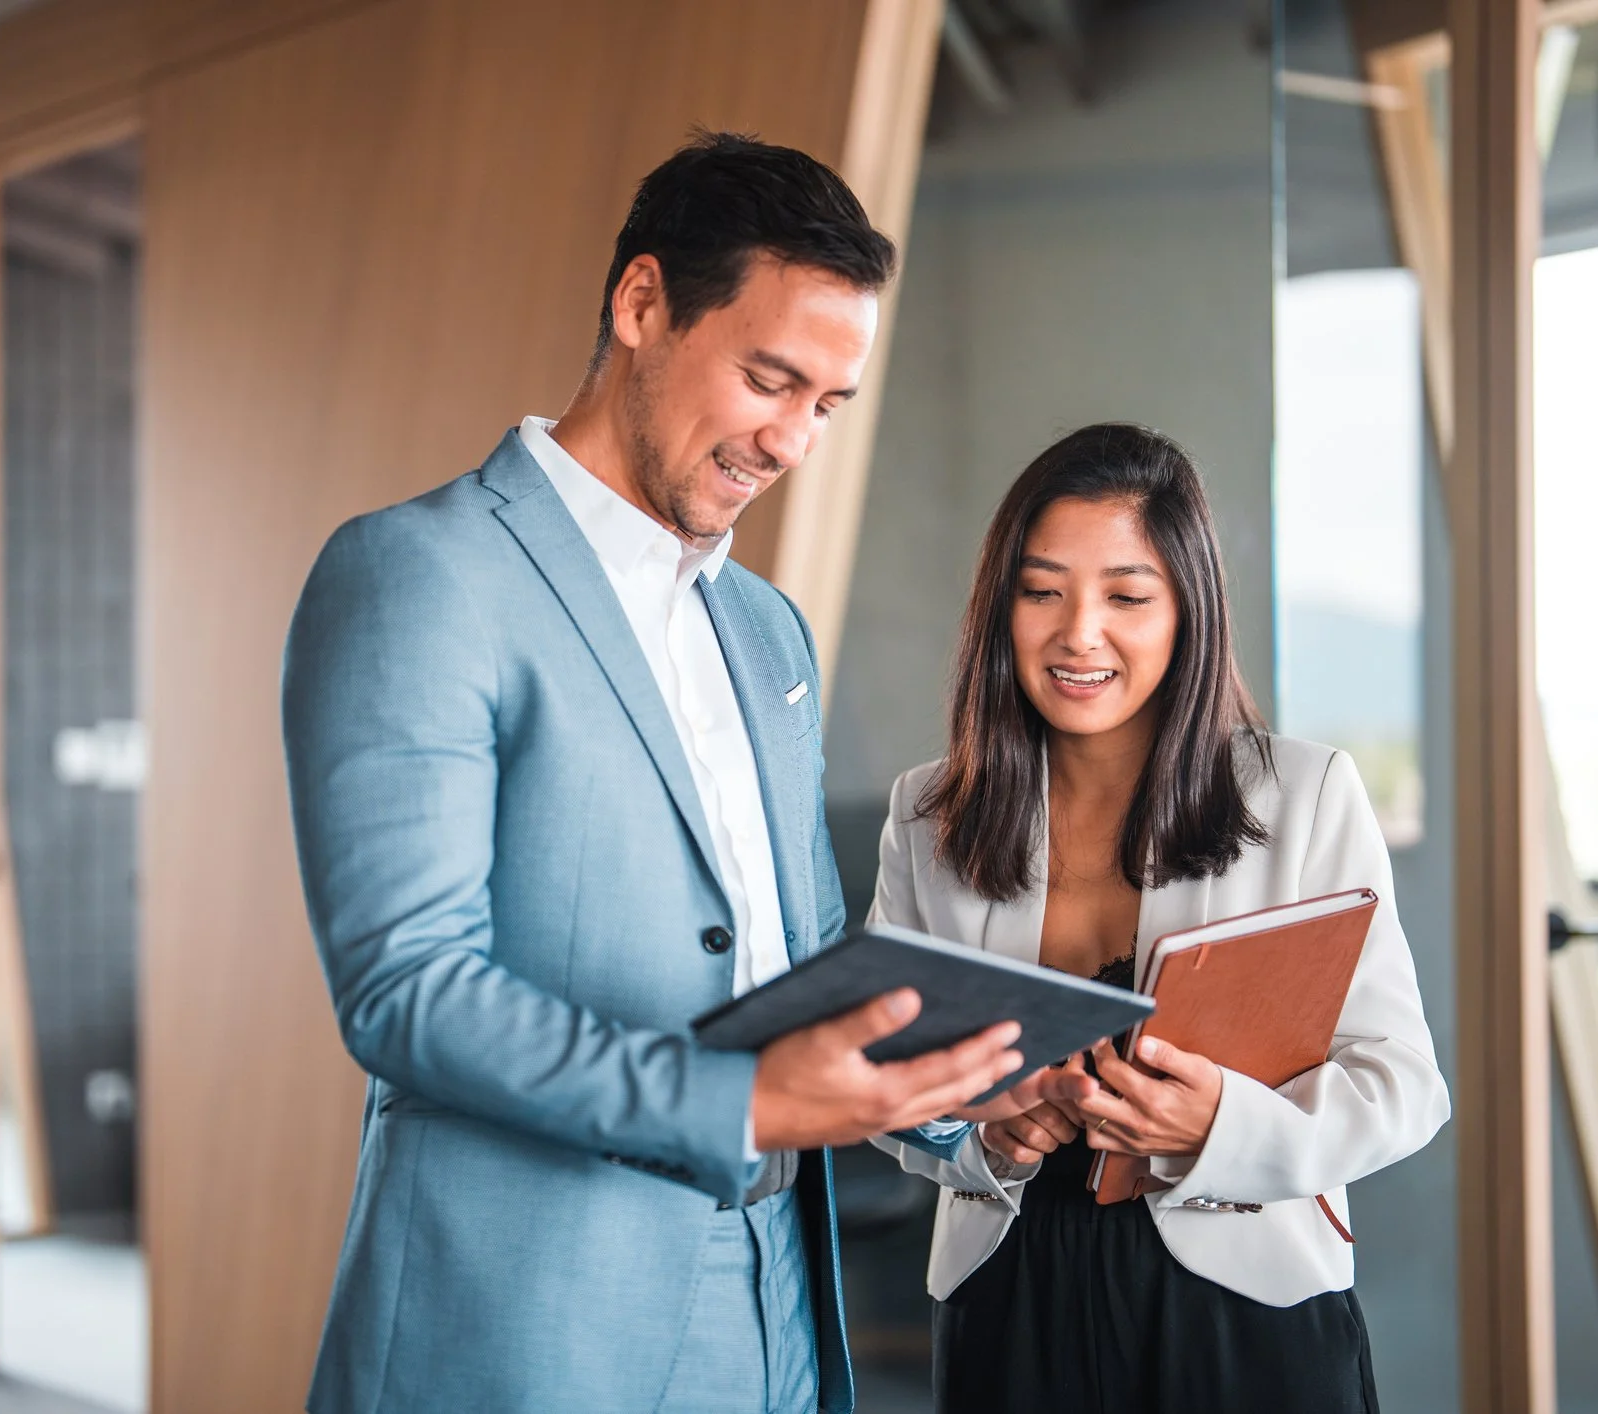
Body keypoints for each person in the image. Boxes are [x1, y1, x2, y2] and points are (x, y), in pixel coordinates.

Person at [281, 132, 1025, 1414]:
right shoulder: (420, 575)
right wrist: (738, 1099)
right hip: (526, 1320)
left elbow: (796, 964)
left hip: (775, 1301)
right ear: (640, 305)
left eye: (826, 405)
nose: (791, 439)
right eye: (767, 378)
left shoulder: (768, 630)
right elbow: (408, 991)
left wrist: (964, 1102)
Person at [868, 423, 1450, 1413]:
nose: (1077, 632)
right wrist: (984, 1137)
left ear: (1188, 610)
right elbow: (886, 1072)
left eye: (1127, 596)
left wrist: (1219, 1124)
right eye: (1041, 590)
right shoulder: (928, 813)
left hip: (1246, 1301)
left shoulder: (1302, 794)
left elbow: (1402, 1085)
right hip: (1010, 1293)